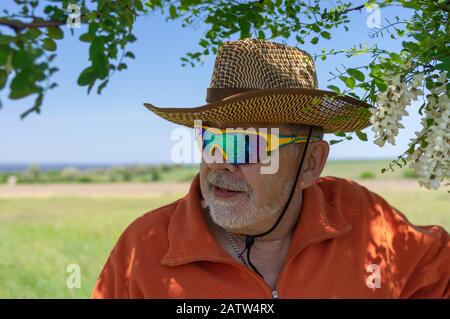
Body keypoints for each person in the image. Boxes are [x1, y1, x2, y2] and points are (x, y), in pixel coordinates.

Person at [92, 39, 449, 298]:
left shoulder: (364, 219)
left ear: (310, 164)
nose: (220, 161)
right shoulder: (144, 248)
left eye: (245, 144)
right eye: (210, 140)